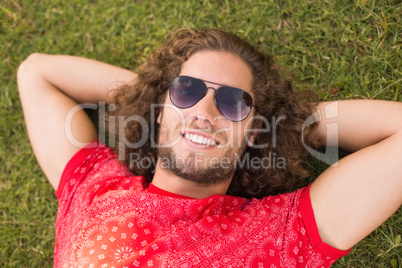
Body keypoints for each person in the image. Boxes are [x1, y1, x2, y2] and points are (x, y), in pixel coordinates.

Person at [17, 28, 401, 267]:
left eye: (233, 103)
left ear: (254, 132)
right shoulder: (94, 190)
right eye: (187, 90)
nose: (203, 111)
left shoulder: (280, 233)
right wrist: (154, 98)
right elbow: (36, 72)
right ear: (158, 113)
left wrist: (285, 123)